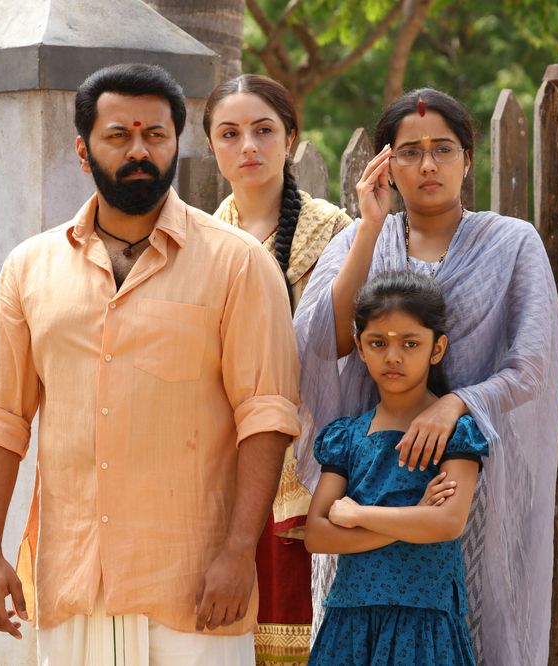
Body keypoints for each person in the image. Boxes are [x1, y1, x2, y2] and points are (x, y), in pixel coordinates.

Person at [0, 63, 301, 665]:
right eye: (118, 135)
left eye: (155, 135)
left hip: (195, 591)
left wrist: (236, 553)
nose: (139, 150)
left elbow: (266, 416)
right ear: (83, 150)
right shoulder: (29, 267)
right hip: (73, 585)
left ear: (177, 144)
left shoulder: (239, 263)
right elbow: (0, 419)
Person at [294, 87, 558, 664]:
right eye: (410, 152)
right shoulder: (357, 240)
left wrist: (456, 404)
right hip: (373, 465)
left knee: (474, 627)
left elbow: (532, 365)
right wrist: (370, 226)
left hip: (472, 465)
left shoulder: (512, 243)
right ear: (387, 166)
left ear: (468, 159)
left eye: (443, 149)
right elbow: (326, 343)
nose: (428, 165)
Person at [202, 73, 352, 665]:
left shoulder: (337, 235)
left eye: (264, 130)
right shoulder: (196, 242)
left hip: (317, 468)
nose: (248, 147)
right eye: (229, 133)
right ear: (211, 145)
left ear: (291, 138)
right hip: (220, 469)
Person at [305, 271, 484, 665]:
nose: (393, 356)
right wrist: (414, 516)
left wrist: (358, 515)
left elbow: (446, 523)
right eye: (378, 343)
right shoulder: (347, 437)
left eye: (410, 343)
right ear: (359, 347)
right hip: (351, 624)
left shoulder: (456, 433)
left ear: (437, 348)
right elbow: (316, 534)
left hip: (426, 624)